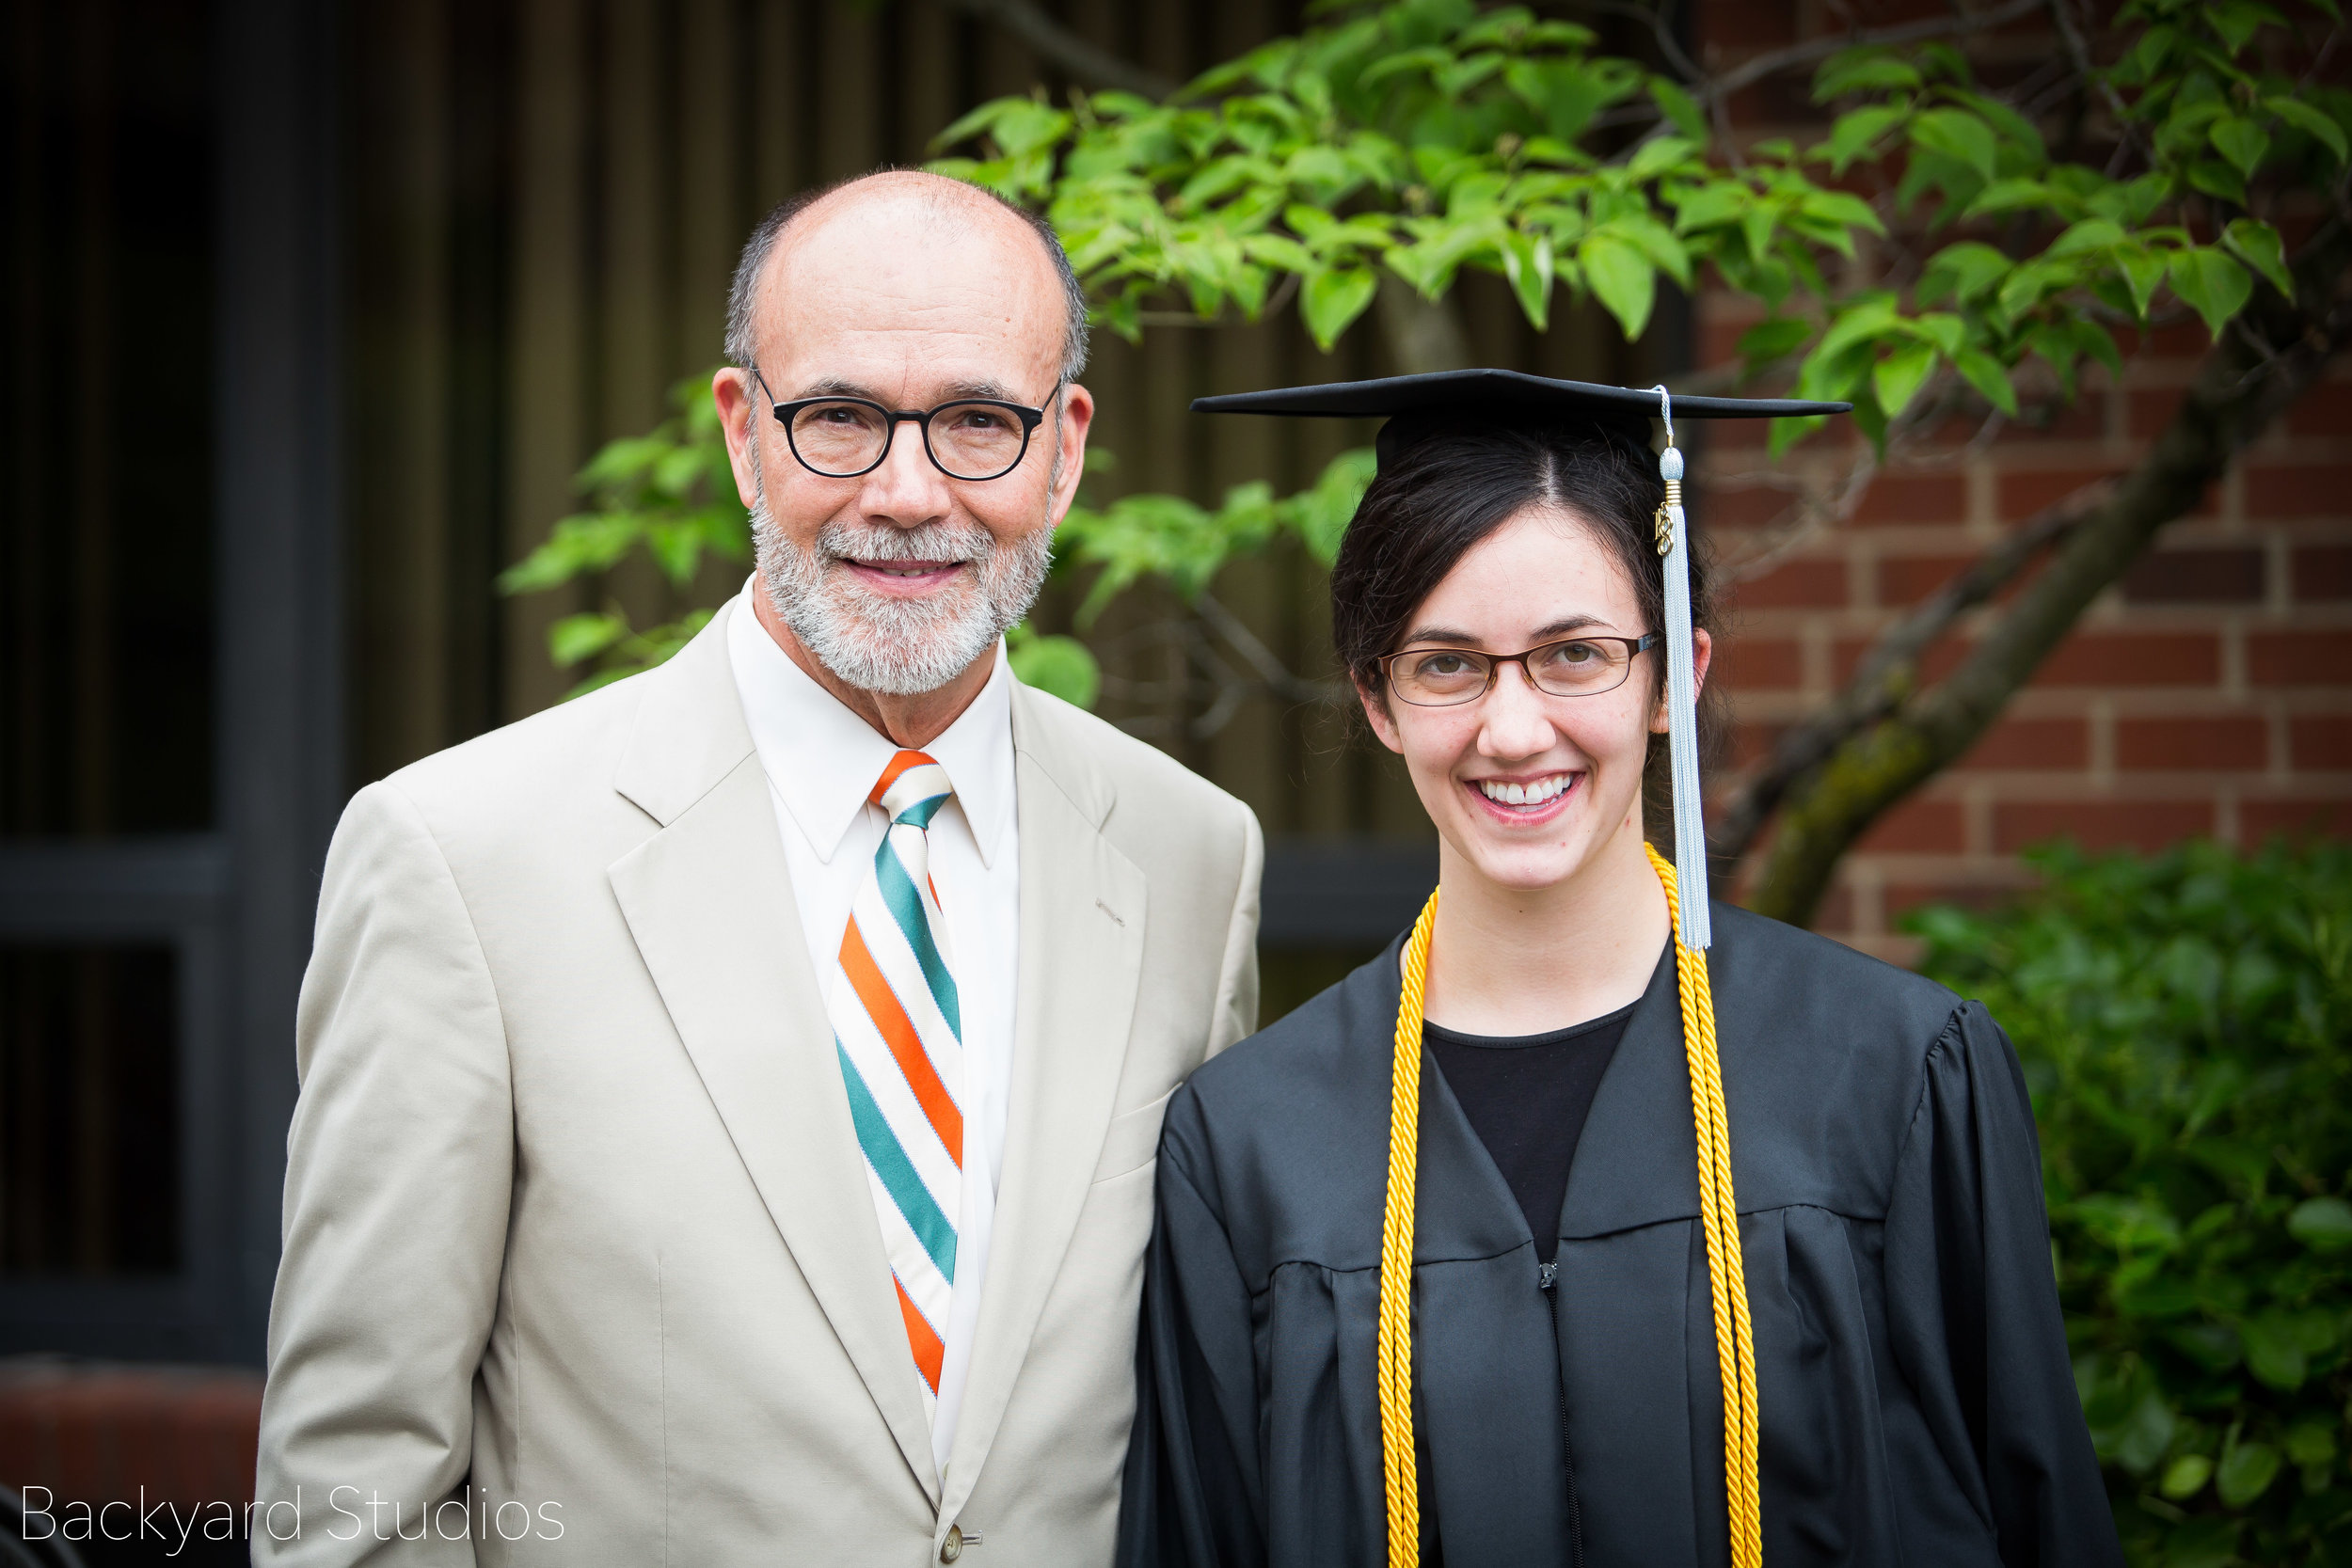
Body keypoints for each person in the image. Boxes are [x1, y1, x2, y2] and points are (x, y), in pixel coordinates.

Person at [258, 170, 1263, 1564]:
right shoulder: (458, 860)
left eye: (979, 421)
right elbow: (350, 1505)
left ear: (1065, 449)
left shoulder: (1193, 856)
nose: (908, 494)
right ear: (743, 433)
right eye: (840, 417)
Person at [1117, 371, 2122, 1568]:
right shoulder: (1249, 1146)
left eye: (1574, 653)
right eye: (1446, 663)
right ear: (1375, 699)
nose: (1513, 728)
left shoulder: (1894, 1077)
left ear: (1673, 675)